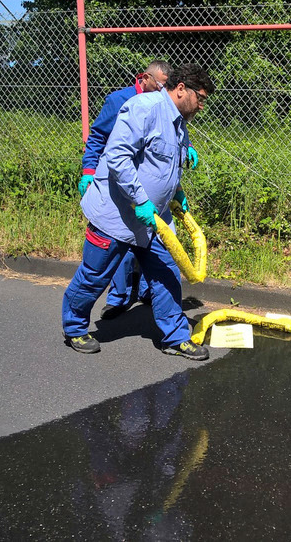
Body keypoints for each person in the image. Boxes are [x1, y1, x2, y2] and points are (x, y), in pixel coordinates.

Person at [61, 63, 215, 360]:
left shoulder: (179, 121)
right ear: (181, 89)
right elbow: (118, 157)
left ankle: (175, 337)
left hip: (154, 221)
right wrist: (140, 200)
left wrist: (177, 193)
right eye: (200, 98)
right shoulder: (143, 107)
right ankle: (75, 328)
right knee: (95, 275)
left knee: (167, 274)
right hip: (116, 216)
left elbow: (165, 166)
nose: (201, 105)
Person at [78, 61, 179, 321]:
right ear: (145, 78)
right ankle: (118, 299)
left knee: (150, 246)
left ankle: (147, 294)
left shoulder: (163, 107)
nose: (163, 90)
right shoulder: (120, 100)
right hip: (120, 188)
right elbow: (99, 138)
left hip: (149, 196)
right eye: (160, 84)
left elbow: (176, 134)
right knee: (119, 246)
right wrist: (89, 171)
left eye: (167, 86)